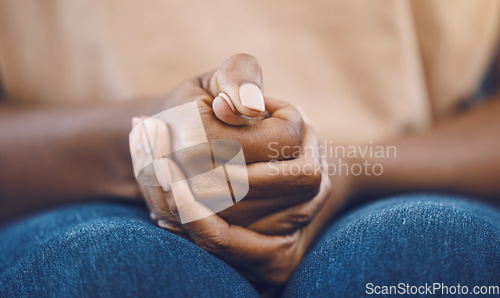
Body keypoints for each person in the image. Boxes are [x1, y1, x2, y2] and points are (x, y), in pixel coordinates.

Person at [1, 1, 499, 296]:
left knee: (430, 250)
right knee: (115, 268)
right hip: (71, 180)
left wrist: (344, 167)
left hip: (401, 166)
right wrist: (151, 142)